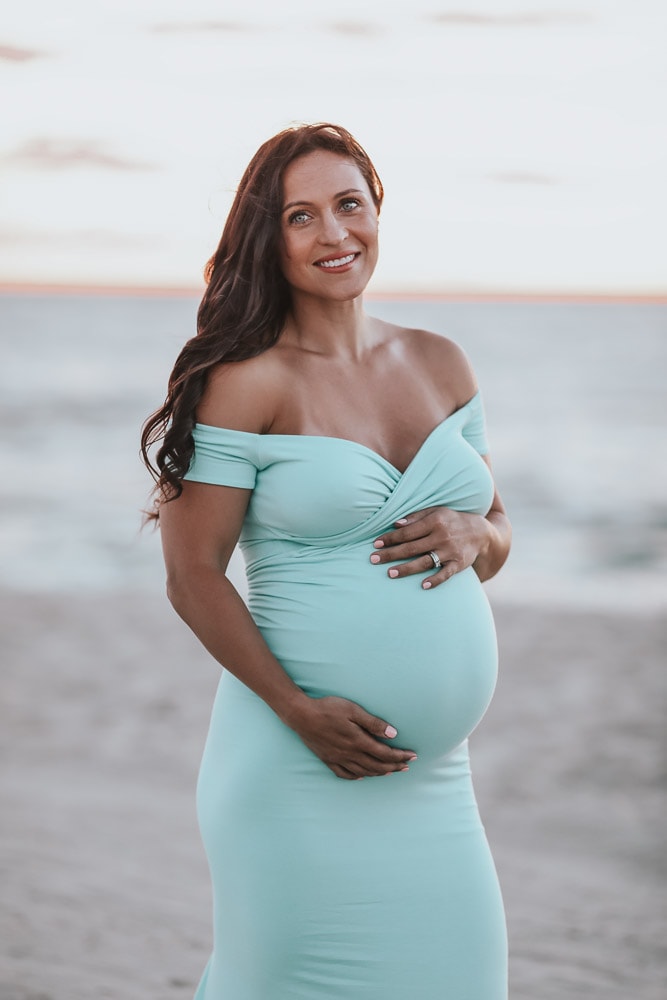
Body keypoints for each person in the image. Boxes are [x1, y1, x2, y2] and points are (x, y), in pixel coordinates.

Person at [141, 122, 512, 1000]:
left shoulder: (439, 361)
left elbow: (494, 528)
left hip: (434, 784)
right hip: (292, 766)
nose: (333, 234)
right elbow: (192, 576)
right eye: (299, 217)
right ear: (267, 240)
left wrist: (476, 536)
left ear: (376, 208)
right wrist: (296, 711)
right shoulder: (246, 379)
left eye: (348, 204)